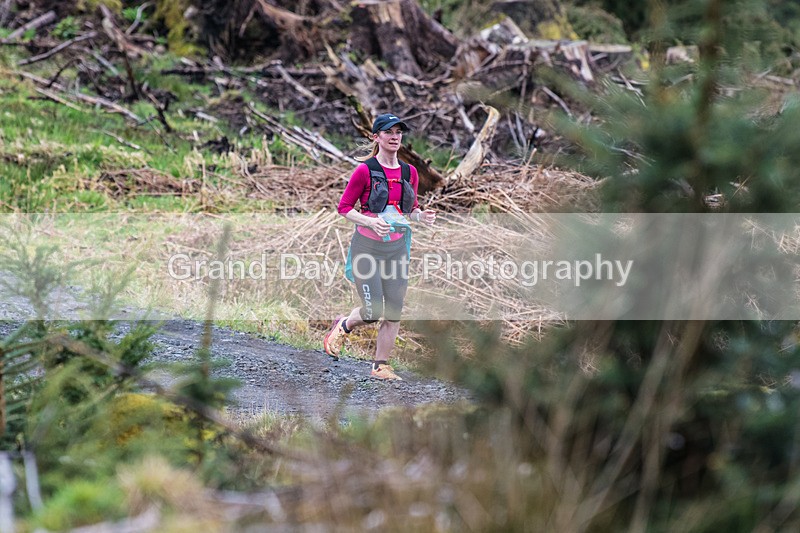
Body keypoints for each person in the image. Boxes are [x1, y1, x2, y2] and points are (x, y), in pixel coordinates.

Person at [324, 113, 436, 380]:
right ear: (376, 137)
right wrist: (370, 222)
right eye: (388, 131)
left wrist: (421, 217)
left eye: (399, 132)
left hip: (396, 249)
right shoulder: (365, 171)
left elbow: (410, 209)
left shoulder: (410, 172)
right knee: (373, 311)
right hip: (368, 248)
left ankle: (380, 366)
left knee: (394, 310)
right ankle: (343, 325)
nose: (395, 136)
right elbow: (344, 209)